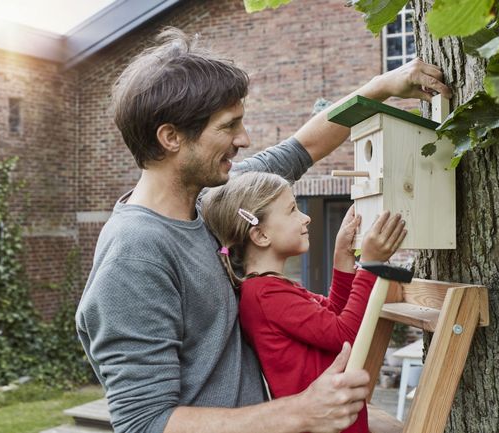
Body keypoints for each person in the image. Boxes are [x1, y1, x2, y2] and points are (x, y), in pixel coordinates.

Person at [75, 27, 450, 433]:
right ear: (171, 137)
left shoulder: (216, 202)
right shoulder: (135, 253)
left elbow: (302, 148)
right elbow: (144, 422)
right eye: (228, 126)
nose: (244, 139)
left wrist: (382, 86)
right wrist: (300, 412)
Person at [201, 171, 406, 433]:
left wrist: (342, 258)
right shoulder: (266, 295)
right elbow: (346, 334)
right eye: (292, 210)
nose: (306, 217)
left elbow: (333, 318)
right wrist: (370, 265)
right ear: (261, 235)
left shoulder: (272, 289)